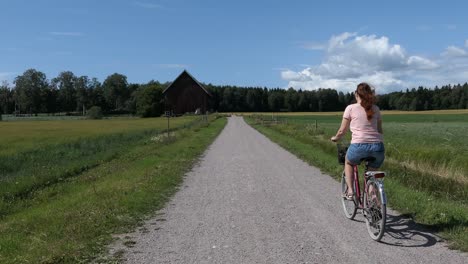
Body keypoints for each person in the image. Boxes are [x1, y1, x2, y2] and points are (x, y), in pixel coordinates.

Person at [331, 82, 385, 200]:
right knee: (372, 171)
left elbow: (342, 131)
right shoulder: (376, 109)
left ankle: (350, 191)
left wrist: (335, 138)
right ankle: (373, 195)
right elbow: (380, 130)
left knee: (349, 162)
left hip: (359, 146)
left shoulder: (350, 108)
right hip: (378, 147)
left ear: (356, 94)